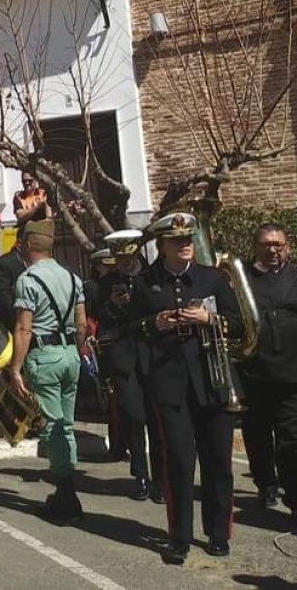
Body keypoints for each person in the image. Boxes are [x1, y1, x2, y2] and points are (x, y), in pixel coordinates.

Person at [128, 212, 242, 565]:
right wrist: (155, 322)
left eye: (188, 239)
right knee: (178, 461)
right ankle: (179, 536)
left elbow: (238, 324)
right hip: (170, 384)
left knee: (218, 461)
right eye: (178, 241)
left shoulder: (214, 278)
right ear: (162, 246)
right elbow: (132, 329)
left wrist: (211, 320)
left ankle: (218, 532)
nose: (186, 245)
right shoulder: (146, 283)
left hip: (213, 380)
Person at [5, 219, 87, 523]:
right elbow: (81, 323)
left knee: (53, 426)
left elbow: (24, 328)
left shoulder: (28, 280)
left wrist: (16, 367)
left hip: (45, 355)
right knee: (66, 424)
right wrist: (77, 352)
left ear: (28, 245)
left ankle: (66, 495)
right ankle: (67, 490)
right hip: (69, 353)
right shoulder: (72, 276)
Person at [89, 233, 163, 503]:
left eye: (128, 257)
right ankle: (141, 474)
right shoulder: (105, 284)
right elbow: (101, 320)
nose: (124, 262)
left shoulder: (154, 277)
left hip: (154, 355)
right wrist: (112, 304)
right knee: (135, 415)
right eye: (119, 258)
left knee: (157, 419)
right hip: (124, 357)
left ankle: (159, 478)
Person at [240, 223, 297, 519]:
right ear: (256, 246)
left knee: (291, 439)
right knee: (258, 434)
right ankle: (266, 484)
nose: (272, 250)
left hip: (292, 374)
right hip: (255, 373)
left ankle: (294, 495)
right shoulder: (241, 279)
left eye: (278, 244)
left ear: (287, 246)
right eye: (266, 244)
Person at [0, 230, 29, 334]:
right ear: (20, 243)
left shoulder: (37, 263)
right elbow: (4, 301)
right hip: (10, 328)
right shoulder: (3, 264)